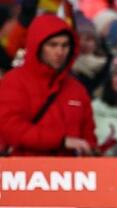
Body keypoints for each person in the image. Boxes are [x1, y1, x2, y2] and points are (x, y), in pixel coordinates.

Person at [0, 14, 96, 156]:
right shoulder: (13, 82)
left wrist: (93, 149)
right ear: (37, 46)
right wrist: (61, 141)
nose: (60, 52)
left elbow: (88, 136)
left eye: (65, 45)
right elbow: (11, 129)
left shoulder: (77, 89)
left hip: (69, 174)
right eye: (53, 45)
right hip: (24, 172)